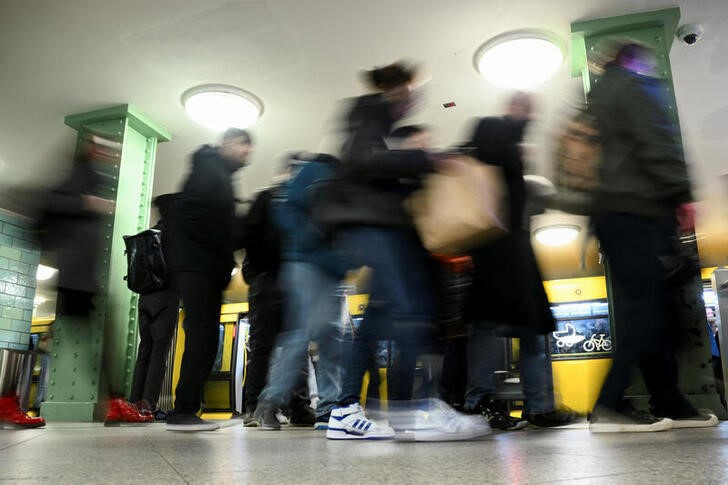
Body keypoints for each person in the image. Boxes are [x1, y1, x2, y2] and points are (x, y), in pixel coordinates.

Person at [320, 62, 489, 441]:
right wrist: (428, 160)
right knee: (413, 311)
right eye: (410, 93)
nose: (413, 102)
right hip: (366, 222)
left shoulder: (381, 125)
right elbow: (364, 161)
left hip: (373, 224)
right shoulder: (368, 111)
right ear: (397, 89)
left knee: (378, 320)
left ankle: (345, 411)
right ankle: (417, 409)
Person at [586, 43, 717, 432]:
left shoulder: (596, 100)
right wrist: (681, 194)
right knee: (646, 308)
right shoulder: (632, 87)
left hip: (610, 214)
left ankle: (669, 399)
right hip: (638, 210)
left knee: (651, 308)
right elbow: (657, 139)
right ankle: (609, 403)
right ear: (632, 61)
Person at [463, 92, 575, 430]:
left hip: (506, 246)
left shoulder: (512, 148)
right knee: (505, 326)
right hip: (499, 245)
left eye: (528, 109)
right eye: (519, 107)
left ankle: (527, 403)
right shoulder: (494, 131)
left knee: (518, 327)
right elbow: (485, 154)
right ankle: (491, 401)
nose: (525, 114)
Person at [255, 153, 351, 431]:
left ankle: (329, 407)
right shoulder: (315, 170)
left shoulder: (345, 181)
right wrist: (311, 236)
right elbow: (286, 210)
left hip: (332, 271)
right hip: (307, 263)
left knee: (331, 337)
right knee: (305, 332)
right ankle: (270, 401)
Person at [165, 128, 252, 431]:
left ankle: (188, 408)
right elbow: (193, 215)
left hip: (204, 266)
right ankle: (183, 411)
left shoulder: (221, 175)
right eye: (243, 146)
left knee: (204, 338)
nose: (247, 154)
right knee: (202, 337)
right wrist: (220, 247)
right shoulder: (207, 168)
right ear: (227, 143)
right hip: (197, 266)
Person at [240, 167, 313, 428]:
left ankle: (298, 408)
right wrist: (260, 273)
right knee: (265, 347)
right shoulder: (267, 199)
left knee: (295, 347)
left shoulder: (301, 204)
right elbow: (247, 235)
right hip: (270, 281)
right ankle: (256, 408)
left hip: (291, 281)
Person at [125, 194, 180, 422]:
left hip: (144, 299)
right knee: (159, 352)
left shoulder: (149, 235)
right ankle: (148, 406)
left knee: (144, 350)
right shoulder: (175, 235)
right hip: (165, 298)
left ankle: (134, 403)